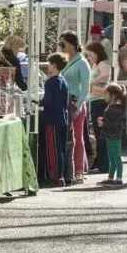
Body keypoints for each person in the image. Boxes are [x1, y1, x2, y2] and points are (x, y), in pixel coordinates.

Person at [58, 31, 91, 183]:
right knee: (69, 138)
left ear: (72, 44)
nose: (61, 46)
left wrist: (77, 106)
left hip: (75, 102)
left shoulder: (82, 63)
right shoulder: (66, 60)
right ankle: (69, 169)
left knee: (77, 138)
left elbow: (85, 88)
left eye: (63, 43)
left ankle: (79, 170)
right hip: (65, 102)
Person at [40, 53, 71, 187]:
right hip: (62, 118)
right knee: (61, 148)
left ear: (54, 65)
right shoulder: (63, 81)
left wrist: (39, 103)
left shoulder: (51, 82)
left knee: (52, 149)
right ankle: (61, 175)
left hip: (52, 118)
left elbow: (48, 101)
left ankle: (55, 176)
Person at [84, 41, 111, 173]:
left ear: (96, 52)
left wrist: (91, 83)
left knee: (101, 133)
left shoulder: (102, 63)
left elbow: (105, 75)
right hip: (95, 99)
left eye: (90, 54)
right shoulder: (96, 64)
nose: (89, 57)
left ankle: (103, 163)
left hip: (100, 100)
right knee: (98, 132)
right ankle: (100, 161)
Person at [96, 83, 127, 187]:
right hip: (110, 136)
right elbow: (111, 121)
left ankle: (119, 179)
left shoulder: (116, 109)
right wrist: (103, 120)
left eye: (106, 94)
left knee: (116, 157)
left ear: (113, 96)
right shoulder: (112, 107)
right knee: (112, 159)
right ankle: (110, 178)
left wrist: (103, 123)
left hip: (114, 136)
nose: (104, 96)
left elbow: (113, 124)